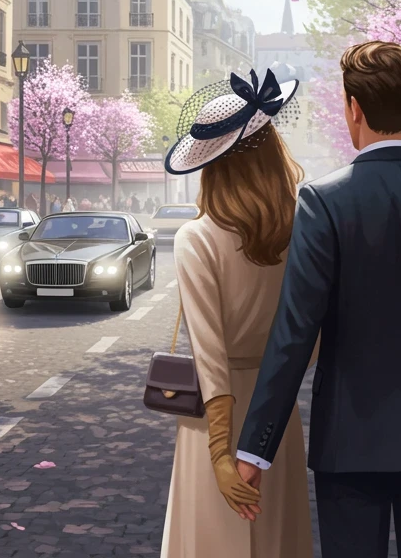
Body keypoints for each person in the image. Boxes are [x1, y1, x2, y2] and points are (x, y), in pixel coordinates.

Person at [234, 42, 401, 558]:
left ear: (354, 108)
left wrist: (254, 449)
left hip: (348, 439)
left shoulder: (324, 200)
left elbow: (294, 333)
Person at [159, 68, 312, 558]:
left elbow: (209, 357)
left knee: (212, 541)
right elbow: (313, 338)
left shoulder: (197, 239)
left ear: (213, 165)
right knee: (276, 538)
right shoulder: (302, 233)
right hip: (276, 412)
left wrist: (222, 455)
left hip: (213, 419)